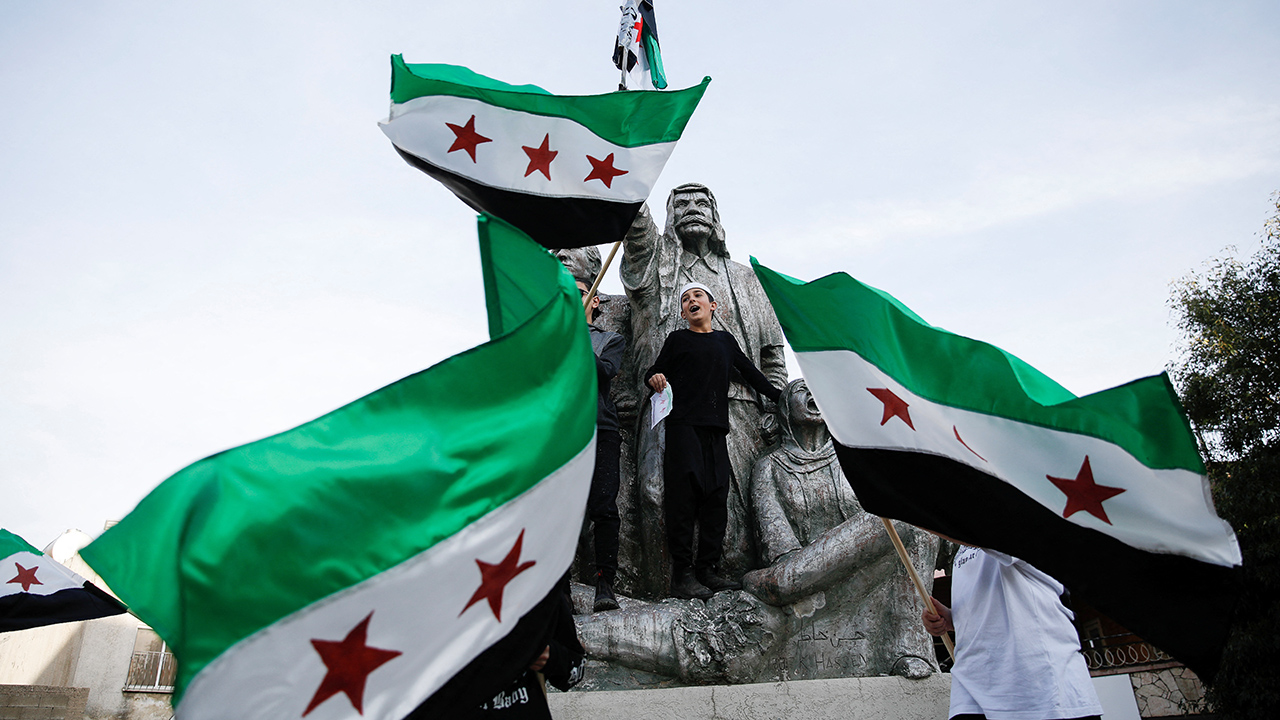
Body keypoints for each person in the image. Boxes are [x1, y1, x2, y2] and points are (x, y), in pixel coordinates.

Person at [622, 183, 788, 591]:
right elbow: (637, 230)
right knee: (656, 493)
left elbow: (768, 359)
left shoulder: (746, 280)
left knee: (731, 506)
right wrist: (629, 178)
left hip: (739, 416)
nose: (692, 209)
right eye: (681, 203)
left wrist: (778, 404)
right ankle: (670, 585)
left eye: (702, 202)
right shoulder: (659, 266)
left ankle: (715, 578)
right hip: (670, 411)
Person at [645, 282, 782, 599]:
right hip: (683, 426)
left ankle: (708, 569)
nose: (692, 301)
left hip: (716, 428)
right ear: (682, 312)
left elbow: (752, 374)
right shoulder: (677, 339)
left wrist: (781, 395)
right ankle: (682, 575)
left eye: (697, 296)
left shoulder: (725, 341)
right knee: (683, 497)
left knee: (716, 498)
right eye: (686, 299)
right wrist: (653, 378)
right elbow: (654, 371)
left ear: (713, 306)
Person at [922, 545, 1103, 720]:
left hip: (1038, 688)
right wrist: (953, 619)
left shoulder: (1022, 518)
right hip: (972, 687)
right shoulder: (962, 547)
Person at [576, 280, 627, 612]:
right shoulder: (548, 338)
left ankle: (604, 581)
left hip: (600, 429)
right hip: (560, 433)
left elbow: (606, 371)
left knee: (604, 507)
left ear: (594, 301)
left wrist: (575, 337)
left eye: (578, 292)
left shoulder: (609, 339)